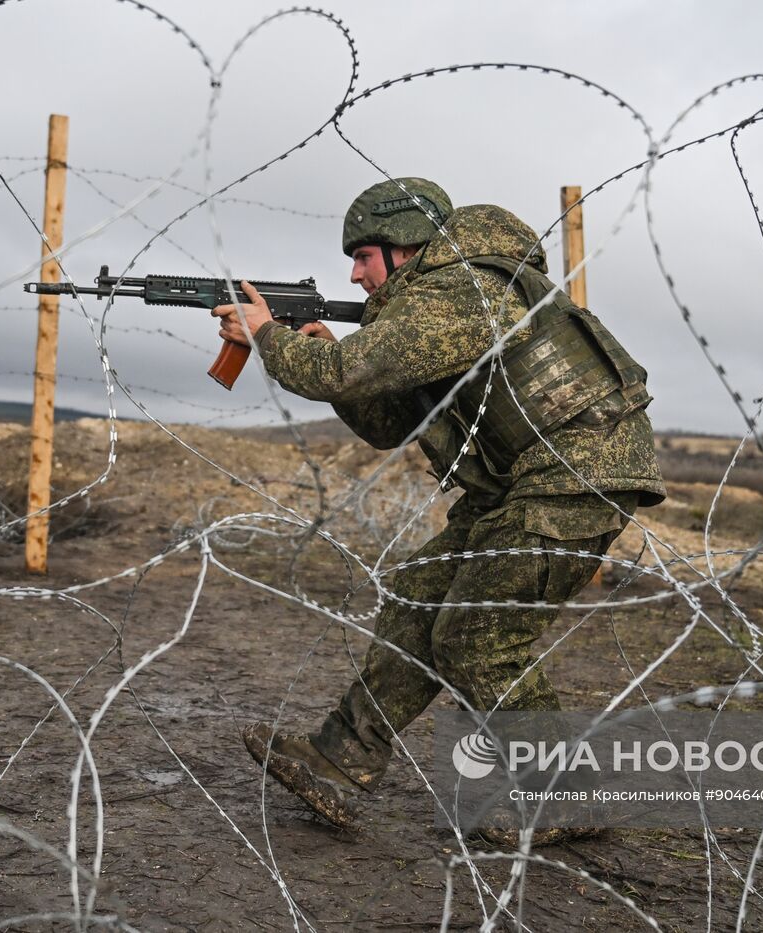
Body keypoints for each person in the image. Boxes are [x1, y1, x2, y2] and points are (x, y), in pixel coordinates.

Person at [212, 177, 666, 842]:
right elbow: (388, 422)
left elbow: (338, 371)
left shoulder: (464, 289)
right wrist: (314, 346)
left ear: (403, 247)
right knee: (418, 600)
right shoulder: (432, 309)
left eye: (363, 256)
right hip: (518, 486)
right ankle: (339, 759)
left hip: (574, 477)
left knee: (477, 637)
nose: (355, 273)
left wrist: (271, 339)